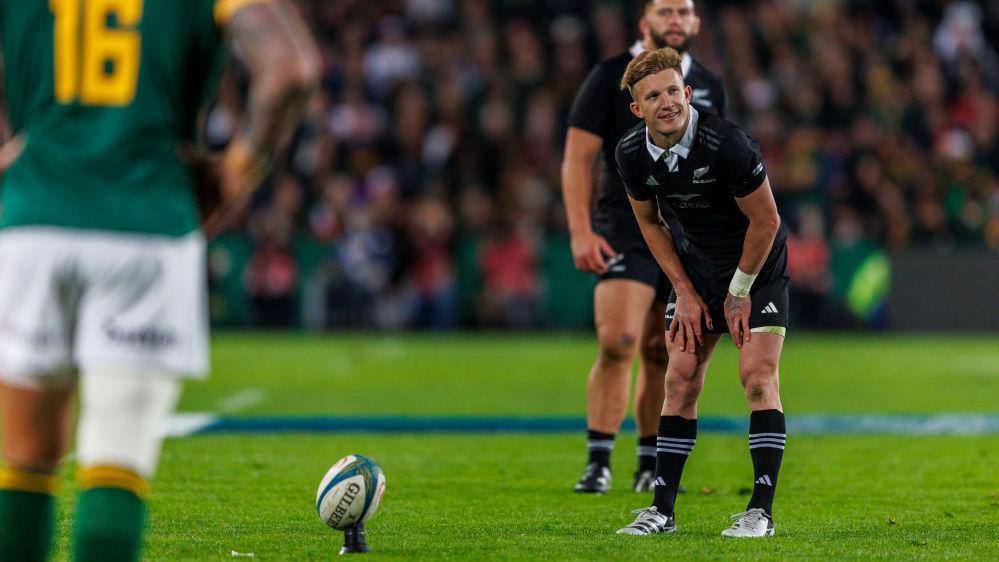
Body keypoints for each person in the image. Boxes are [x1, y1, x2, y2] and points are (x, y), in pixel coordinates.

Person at [0, 1, 319, 560]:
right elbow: (291, 67)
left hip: (34, 220)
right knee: (115, 459)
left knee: (23, 458)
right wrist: (242, 162)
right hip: (148, 223)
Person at [613, 47, 788, 537]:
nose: (667, 101)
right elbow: (650, 224)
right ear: (637, 108)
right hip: (697, 270)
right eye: (654, 95)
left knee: (756, 378)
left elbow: (767, 220)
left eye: (673, 90)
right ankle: (662, 512)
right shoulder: (629, 153)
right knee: (680, 379)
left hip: (757, 265)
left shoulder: (726, 143)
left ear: (687, 93)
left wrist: (739, 290)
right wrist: (685, 292)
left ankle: (760, 513)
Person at [561, 0, 726, 494]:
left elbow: (725, 165)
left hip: (687, 233)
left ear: (696, 24)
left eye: (684, 12)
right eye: (665, 10)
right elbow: (577, 158)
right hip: (626, 226)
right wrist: (580, 230)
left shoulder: (711, 87)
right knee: (619, 342)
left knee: (663, 350)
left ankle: (650, 461)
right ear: (644, 22)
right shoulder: (609, 77)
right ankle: (598, 460)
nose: (675, 20)